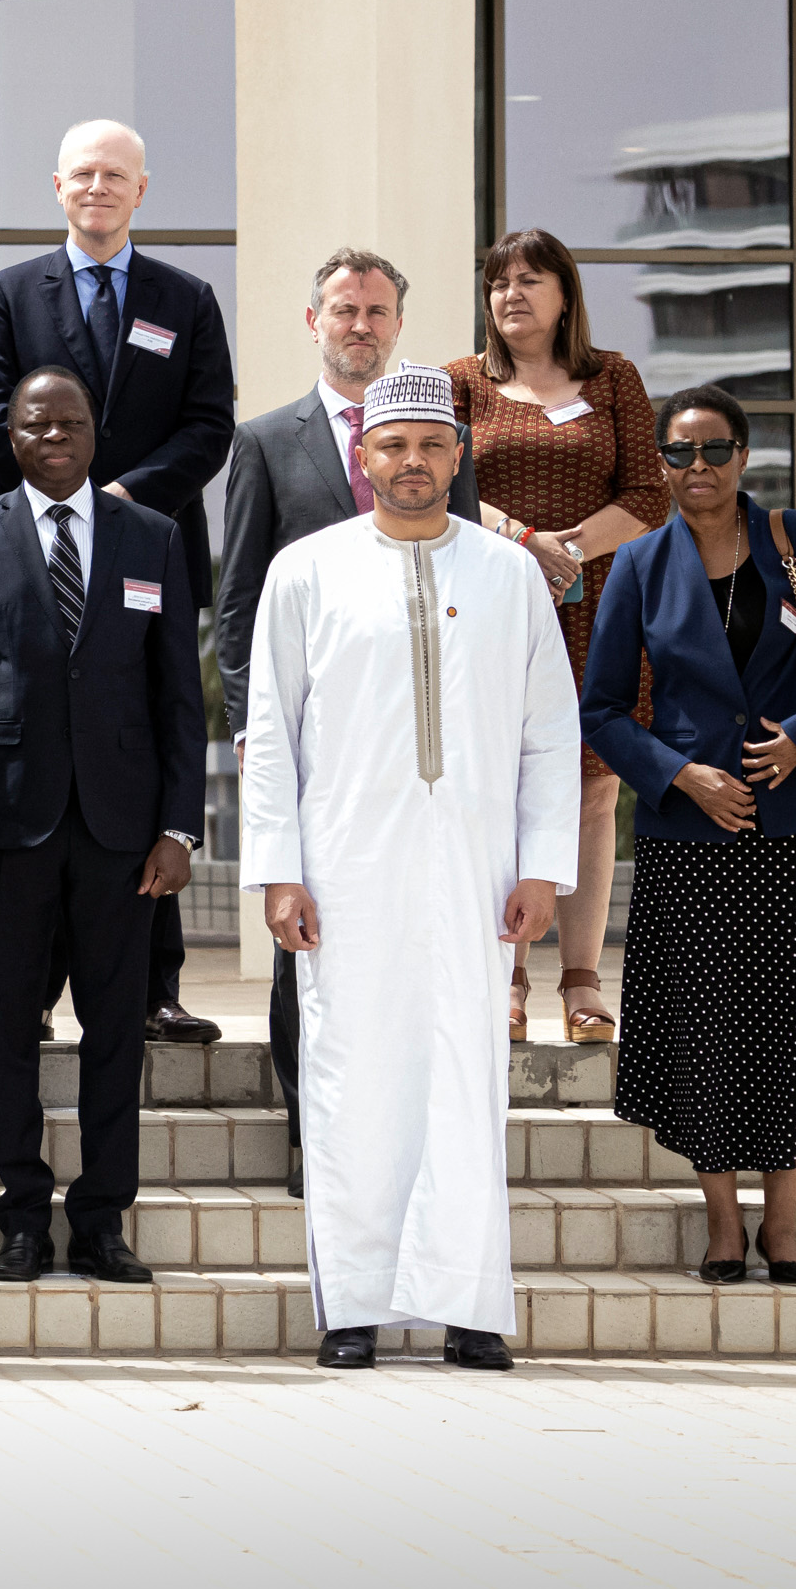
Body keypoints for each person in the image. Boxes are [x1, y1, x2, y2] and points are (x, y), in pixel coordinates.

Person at [239, 367, 579, 1373]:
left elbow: (548, 734)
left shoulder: (507, 574)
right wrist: (277, 870)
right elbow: (270, 736)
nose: (413, 462)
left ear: (458, 453)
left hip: (475, 873)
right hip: (344, 870)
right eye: (393, 446)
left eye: (431, 444)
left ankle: (468, 1303)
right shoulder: (304, 571)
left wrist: (542, 867)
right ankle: (352, 1304)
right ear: (363, 457)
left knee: (465, 1077)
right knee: (352, 1078)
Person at [582, 385, 796, 1286]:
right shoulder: (641, 564)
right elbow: (602, 709)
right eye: (681, 454)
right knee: (707, 1029)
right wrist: (680, 774)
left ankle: (785, 1223)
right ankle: (724, 1223)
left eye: (715, 451)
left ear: (745, 457)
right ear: (659, 464)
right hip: (691, 835)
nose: (699, 470)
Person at [0, 117, 236, 1049]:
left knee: (146, 746)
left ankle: (154, 985)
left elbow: (210, 427)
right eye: (82, 174)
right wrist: (65, 487)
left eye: (115, 175)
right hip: (38, 559)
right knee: (46, 749)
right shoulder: (8, 294)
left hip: (146, 554)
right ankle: (32, 988)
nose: (97, 188)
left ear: (142, 190)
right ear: (56, 186)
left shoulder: (185, 297)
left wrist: (116, 498)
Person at [0, 368, 205, 1288]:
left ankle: (101, 1220)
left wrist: (181, 827)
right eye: (36, 424)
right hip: (9, 835)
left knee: (115, 1032)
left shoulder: (154, 538)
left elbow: (179, 696)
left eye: (72, 422)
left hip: (126, 837)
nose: (55, 435)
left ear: (97, 433)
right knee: (9, 1029)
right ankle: (21, 1216)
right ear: (11, 438)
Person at [215, 247, 473, 1194]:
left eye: (375, 311)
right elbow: (237, 598)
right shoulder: (266, 440)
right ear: (313, 322)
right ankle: (308, 1133)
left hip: (428, 750)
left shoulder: (444, 440)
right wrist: (249, 724)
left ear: (398, 325)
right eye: (342, 309)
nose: (358, 324)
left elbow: (465, 572)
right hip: (319, 744)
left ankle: (420, 1134)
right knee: (308, 939)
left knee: (420, 942)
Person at [453, 228, 666, 1042]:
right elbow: (444, 482)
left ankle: (581, 981)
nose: (511, 294)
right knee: (498, 787)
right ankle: (504, 972)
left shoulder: (614, 377)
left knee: (592, 788)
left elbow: (649, 493)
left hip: (598, 603)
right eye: (499, 282)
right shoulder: (461, 381)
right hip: (493, 603)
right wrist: (527, 544)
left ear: (565, 295)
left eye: (530, 280)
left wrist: (569, 552)